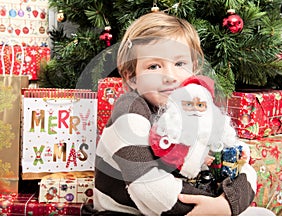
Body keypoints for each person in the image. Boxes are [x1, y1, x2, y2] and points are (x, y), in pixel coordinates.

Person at [92, 12, 258, 216]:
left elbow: (243, 168)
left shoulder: (194, 106)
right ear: (132, 78)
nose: (170, 77)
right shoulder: (129, 111)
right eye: (154, 66)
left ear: (194, 69)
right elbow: (147, 187)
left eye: (179, 64)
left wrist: (227, 204)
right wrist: (209, 208)